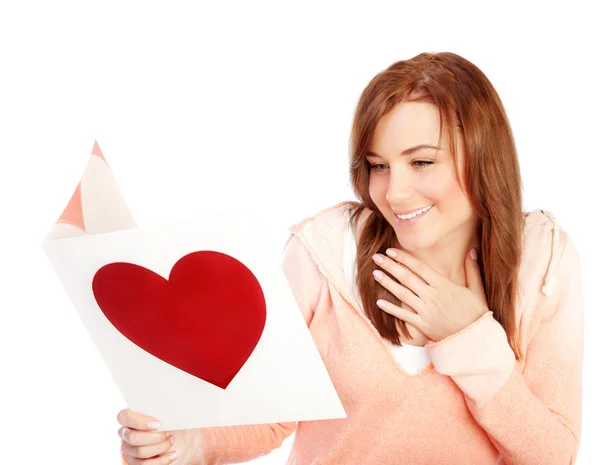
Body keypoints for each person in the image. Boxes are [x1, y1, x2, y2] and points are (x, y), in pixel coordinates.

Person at [117, 52, 584, 464]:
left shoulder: (542, 262)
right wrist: (183, 446)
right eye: (378, 165)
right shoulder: (325, 251)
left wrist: (470, 339)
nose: (394, 193)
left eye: (422, 162)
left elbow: (553, 455)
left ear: (484, 156)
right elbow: (273, 415)